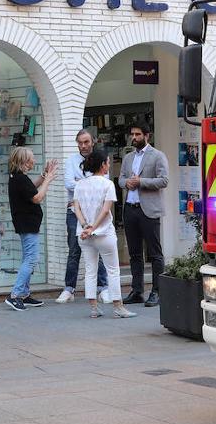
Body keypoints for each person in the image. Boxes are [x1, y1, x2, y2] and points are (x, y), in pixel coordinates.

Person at [73, 149, 135, 319]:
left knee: (90, 270)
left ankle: (93, 308)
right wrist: (93, 228)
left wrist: (86, 226)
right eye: (108, 162)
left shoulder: (80, 184)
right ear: (102, 165)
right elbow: (105, 210)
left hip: (84, 234)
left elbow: (76, 208)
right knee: (113, 270)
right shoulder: (108, 184)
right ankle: (118, 306)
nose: (109, 164)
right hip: (103, 233)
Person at [117, 123, 169, 307]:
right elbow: (121, 178)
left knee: (155, 253)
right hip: (130, 209)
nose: (134, 137)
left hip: (149, 209)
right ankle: (137, 290)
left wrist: (141, 182)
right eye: (132, 134)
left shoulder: (157, 156)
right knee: (134, 253)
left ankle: (157, 291)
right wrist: (126, 183)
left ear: (147, 136)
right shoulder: (128, 157)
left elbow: (164, 180)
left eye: (138, 134)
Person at [4, 147, 58, 312]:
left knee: (28, 258)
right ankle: (15, 295)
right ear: (24, 162)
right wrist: (48, 180)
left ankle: (25, 294)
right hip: (27, 223)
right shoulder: (19, 179)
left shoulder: (19, 178)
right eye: (31, 159)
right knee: (31, 259)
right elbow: (36, 197)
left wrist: (43, 176)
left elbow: (31, 189)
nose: (34, 161)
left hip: (26, 223)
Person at [57, 129, 108, 303]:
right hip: (74, 213)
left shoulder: (101, 159)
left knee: (99, 248)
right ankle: (69, 289)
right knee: (74, 250)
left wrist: (81, 184)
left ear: (92, 141)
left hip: (95, 214)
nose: (83, 146)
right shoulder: (71, 161)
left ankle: (103, 288)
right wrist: (90, 184)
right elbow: (68, 183)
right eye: (80, 142)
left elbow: (103, 184)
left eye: (86, 142)